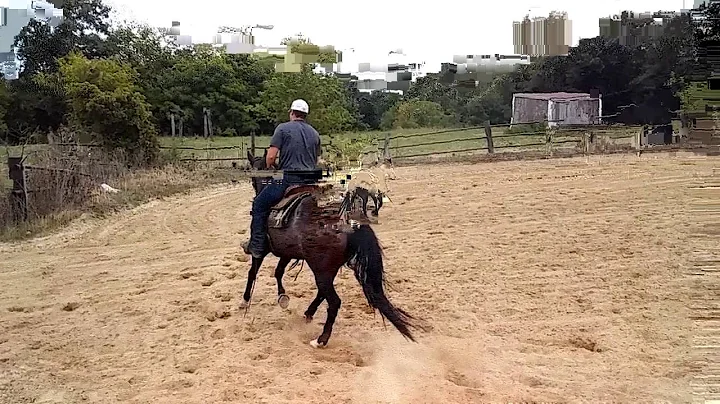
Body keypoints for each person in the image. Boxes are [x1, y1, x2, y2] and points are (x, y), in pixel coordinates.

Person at [242, 99, 322, 258]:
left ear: (291, 113)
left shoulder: (283, 129)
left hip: (288, 178)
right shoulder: (314, 133)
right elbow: (317, 160)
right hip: (312, 179)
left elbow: (270, 157)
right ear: (305, 115)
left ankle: (257, 245)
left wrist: (271, 166)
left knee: (259, 204)